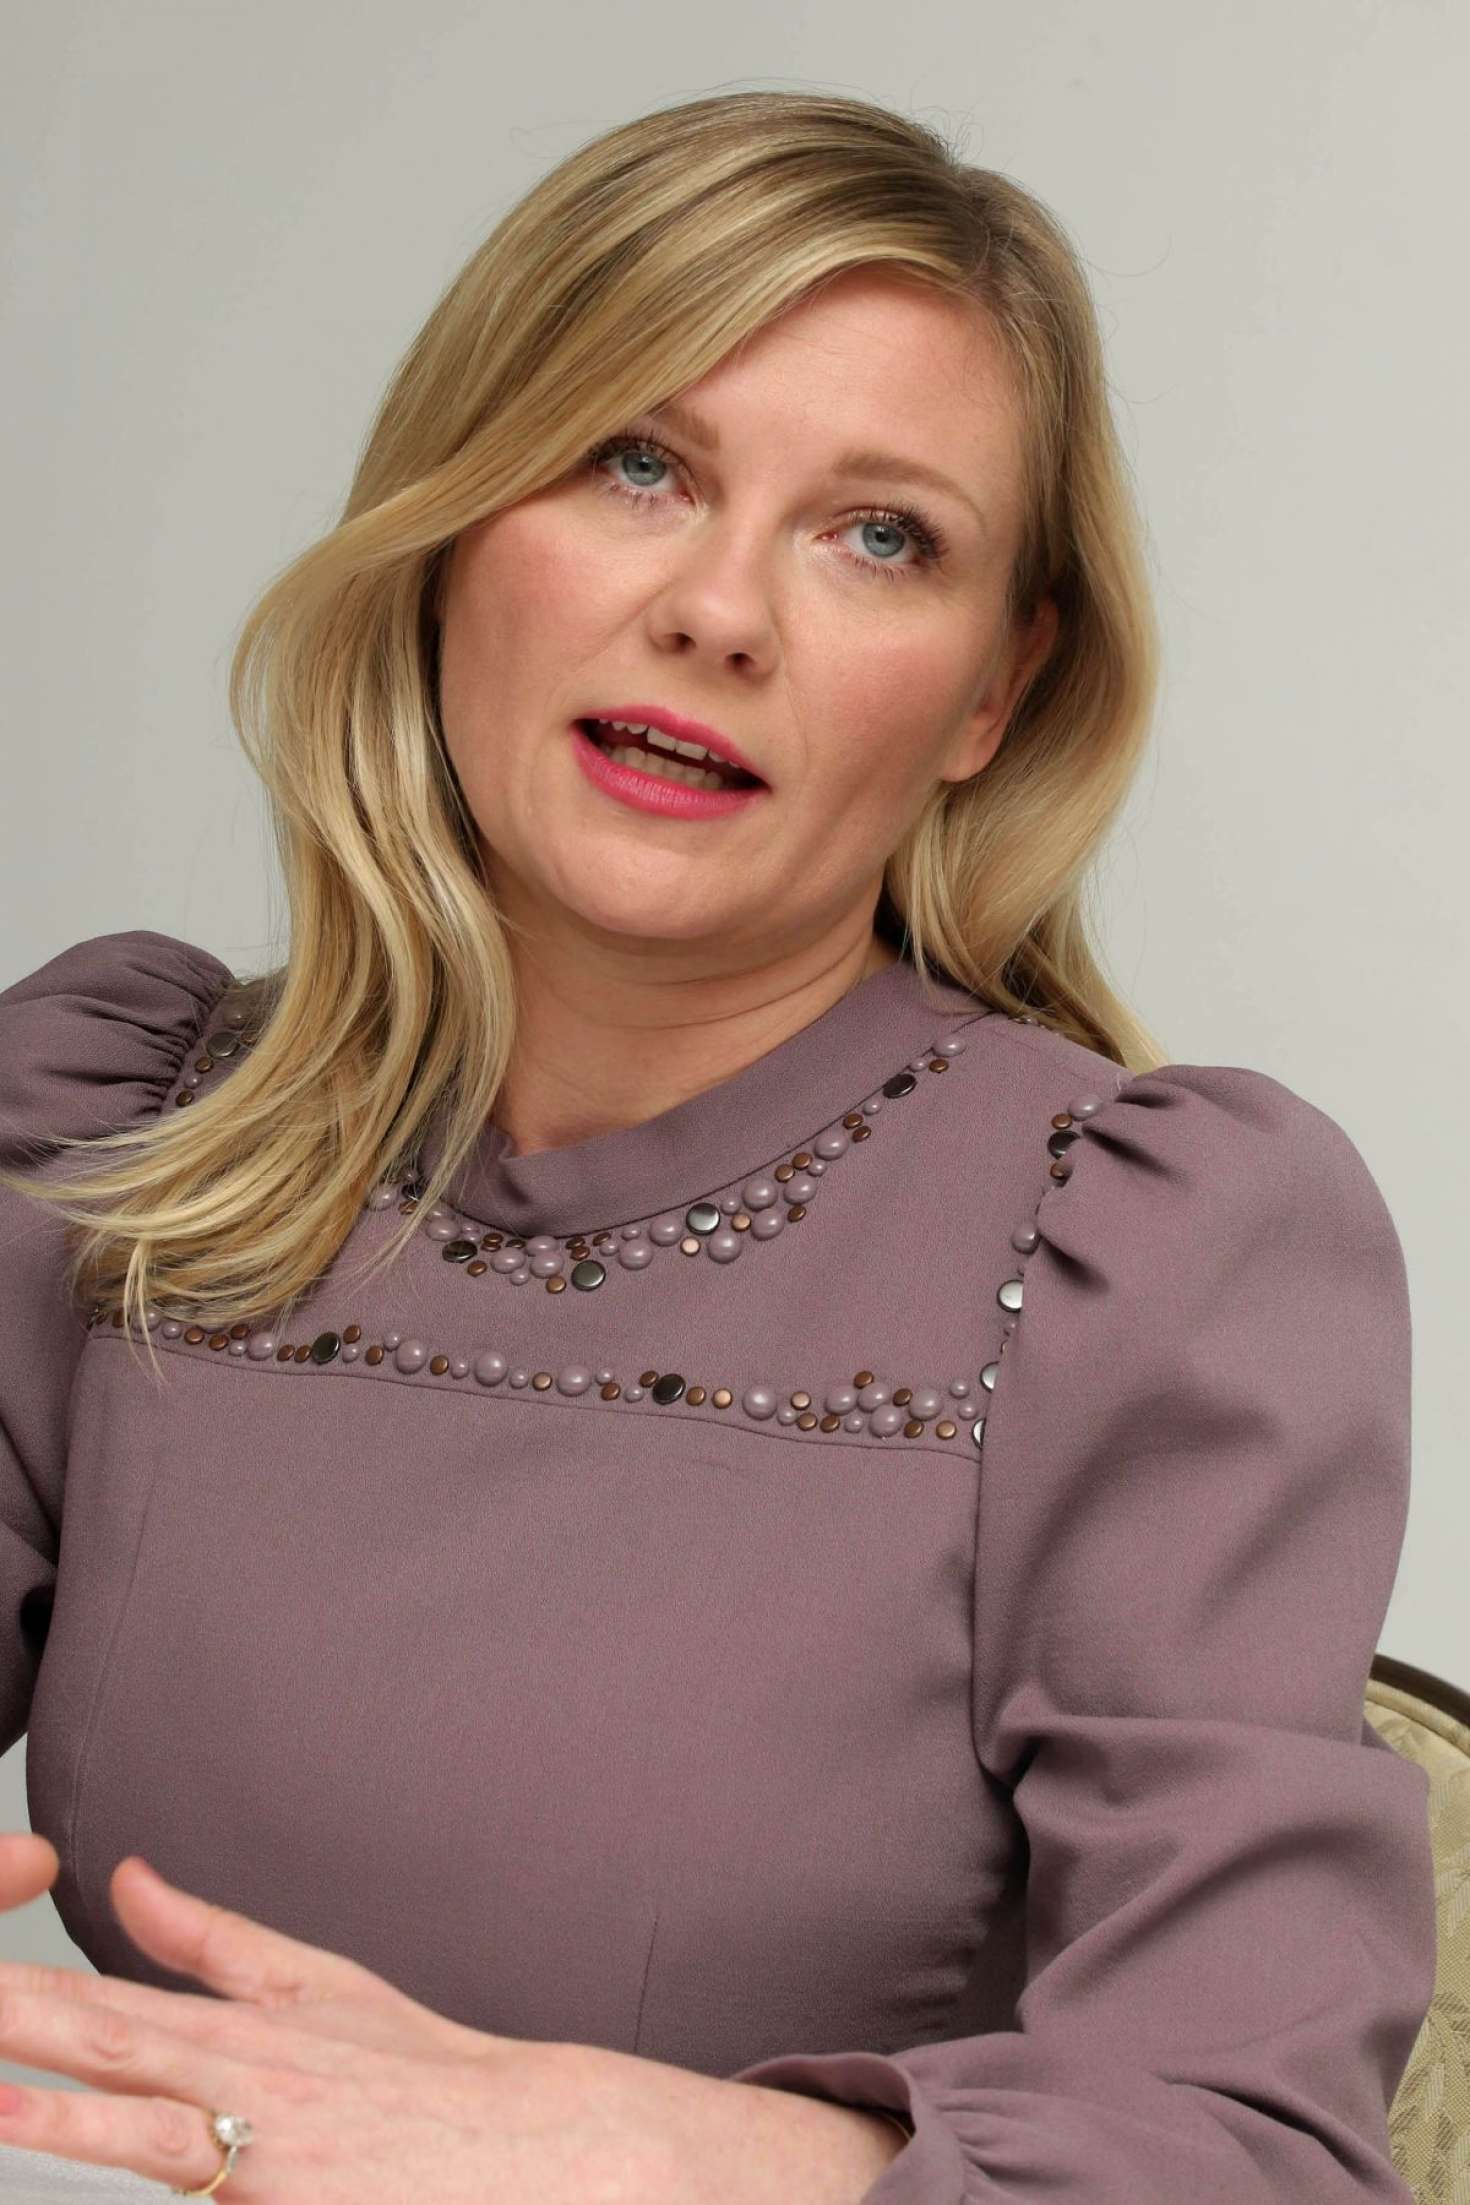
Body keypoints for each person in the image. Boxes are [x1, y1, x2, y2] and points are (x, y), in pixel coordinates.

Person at [0, 86, 1434, 2204]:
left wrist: (656, 2145)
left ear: (991, 694)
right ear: (452, 517)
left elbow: (1256, 2156)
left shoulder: (1150, 1254)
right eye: (638, 461)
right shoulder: (127, 1130)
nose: (722, 610)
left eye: (884, 536)